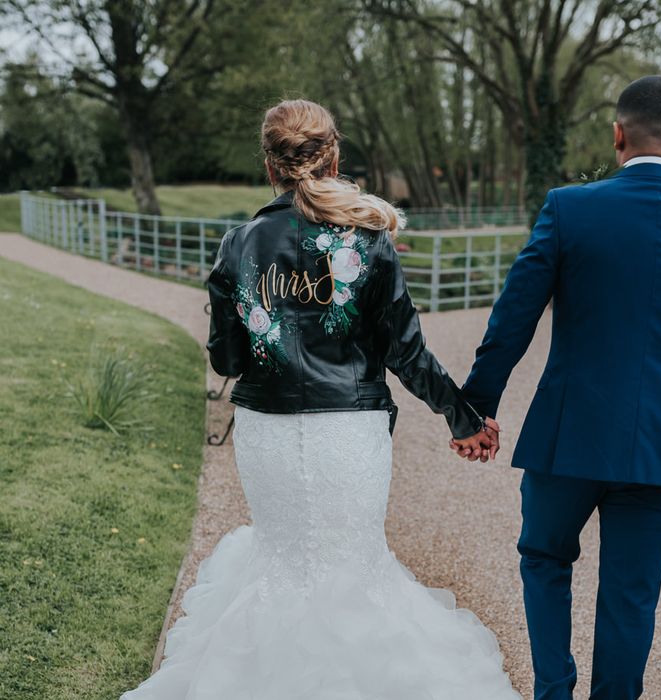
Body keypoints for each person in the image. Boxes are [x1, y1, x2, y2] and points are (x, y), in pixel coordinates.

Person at [121, 99, 520, 700]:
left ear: (269, 165)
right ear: (333, 155)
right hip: (348, 438)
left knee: (285, 560)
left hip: (268, 435)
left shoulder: (239, 245)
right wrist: (462, 419)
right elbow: (405, 352)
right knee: (351, 568)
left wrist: (261, 325)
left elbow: (226, 361)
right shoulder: (369, 241)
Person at [455, 75, 661, 700]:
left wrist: (475, 406)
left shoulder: (569, 207)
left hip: (569, 434)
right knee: (631, 593)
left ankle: (552, 691)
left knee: (543, 557)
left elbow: (513, 319)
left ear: (616, 135)